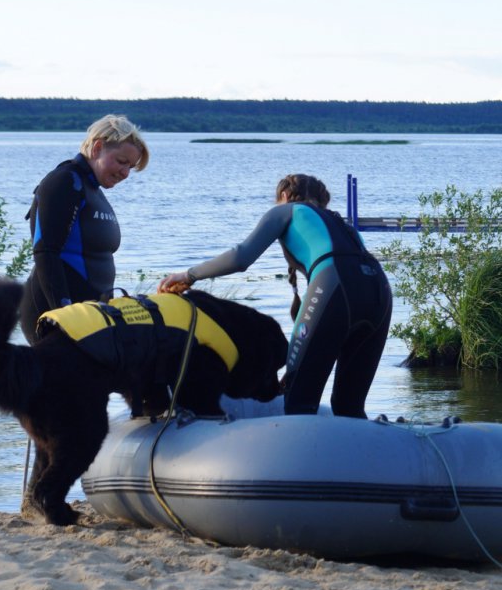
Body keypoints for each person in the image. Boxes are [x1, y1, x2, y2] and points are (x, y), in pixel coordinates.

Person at [158, 173, 392, 418]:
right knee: (349, 407)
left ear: (283, 195)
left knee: (299, 404)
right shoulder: (343, 225)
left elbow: (241, 257)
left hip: (335, 286)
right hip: (380, 292)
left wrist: (189, 275)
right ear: (322, 201)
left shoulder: (286, 210)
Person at [20, 114, 149, 344]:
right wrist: (65, 316)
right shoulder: (64, 182)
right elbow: (45, 252)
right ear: (98, 147)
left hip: (89, 314)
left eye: (130, 166)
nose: (125, 173)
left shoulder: (92, 189)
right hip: (56, 315)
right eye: (121, 161)